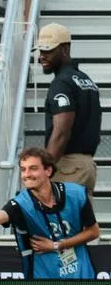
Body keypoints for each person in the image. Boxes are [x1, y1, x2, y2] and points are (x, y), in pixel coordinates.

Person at [0, 146, 99, 279]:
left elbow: (94, 232)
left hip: (82, 275)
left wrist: (57, 245)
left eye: (33, 168)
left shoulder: (75, 193)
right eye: (23, 169)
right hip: (44, 279)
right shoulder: (20, 203)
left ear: (48, 170)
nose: (27, 174)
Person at [36, 23, 102, 191]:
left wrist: (45, 168)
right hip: (86, 166)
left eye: (48, 51)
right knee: (82, 209)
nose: (42, 56)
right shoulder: (85, 80)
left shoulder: (62, 83)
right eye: (41, 51)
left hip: (67, 167)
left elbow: (62, 132)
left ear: (65, 49)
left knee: (59, 210)